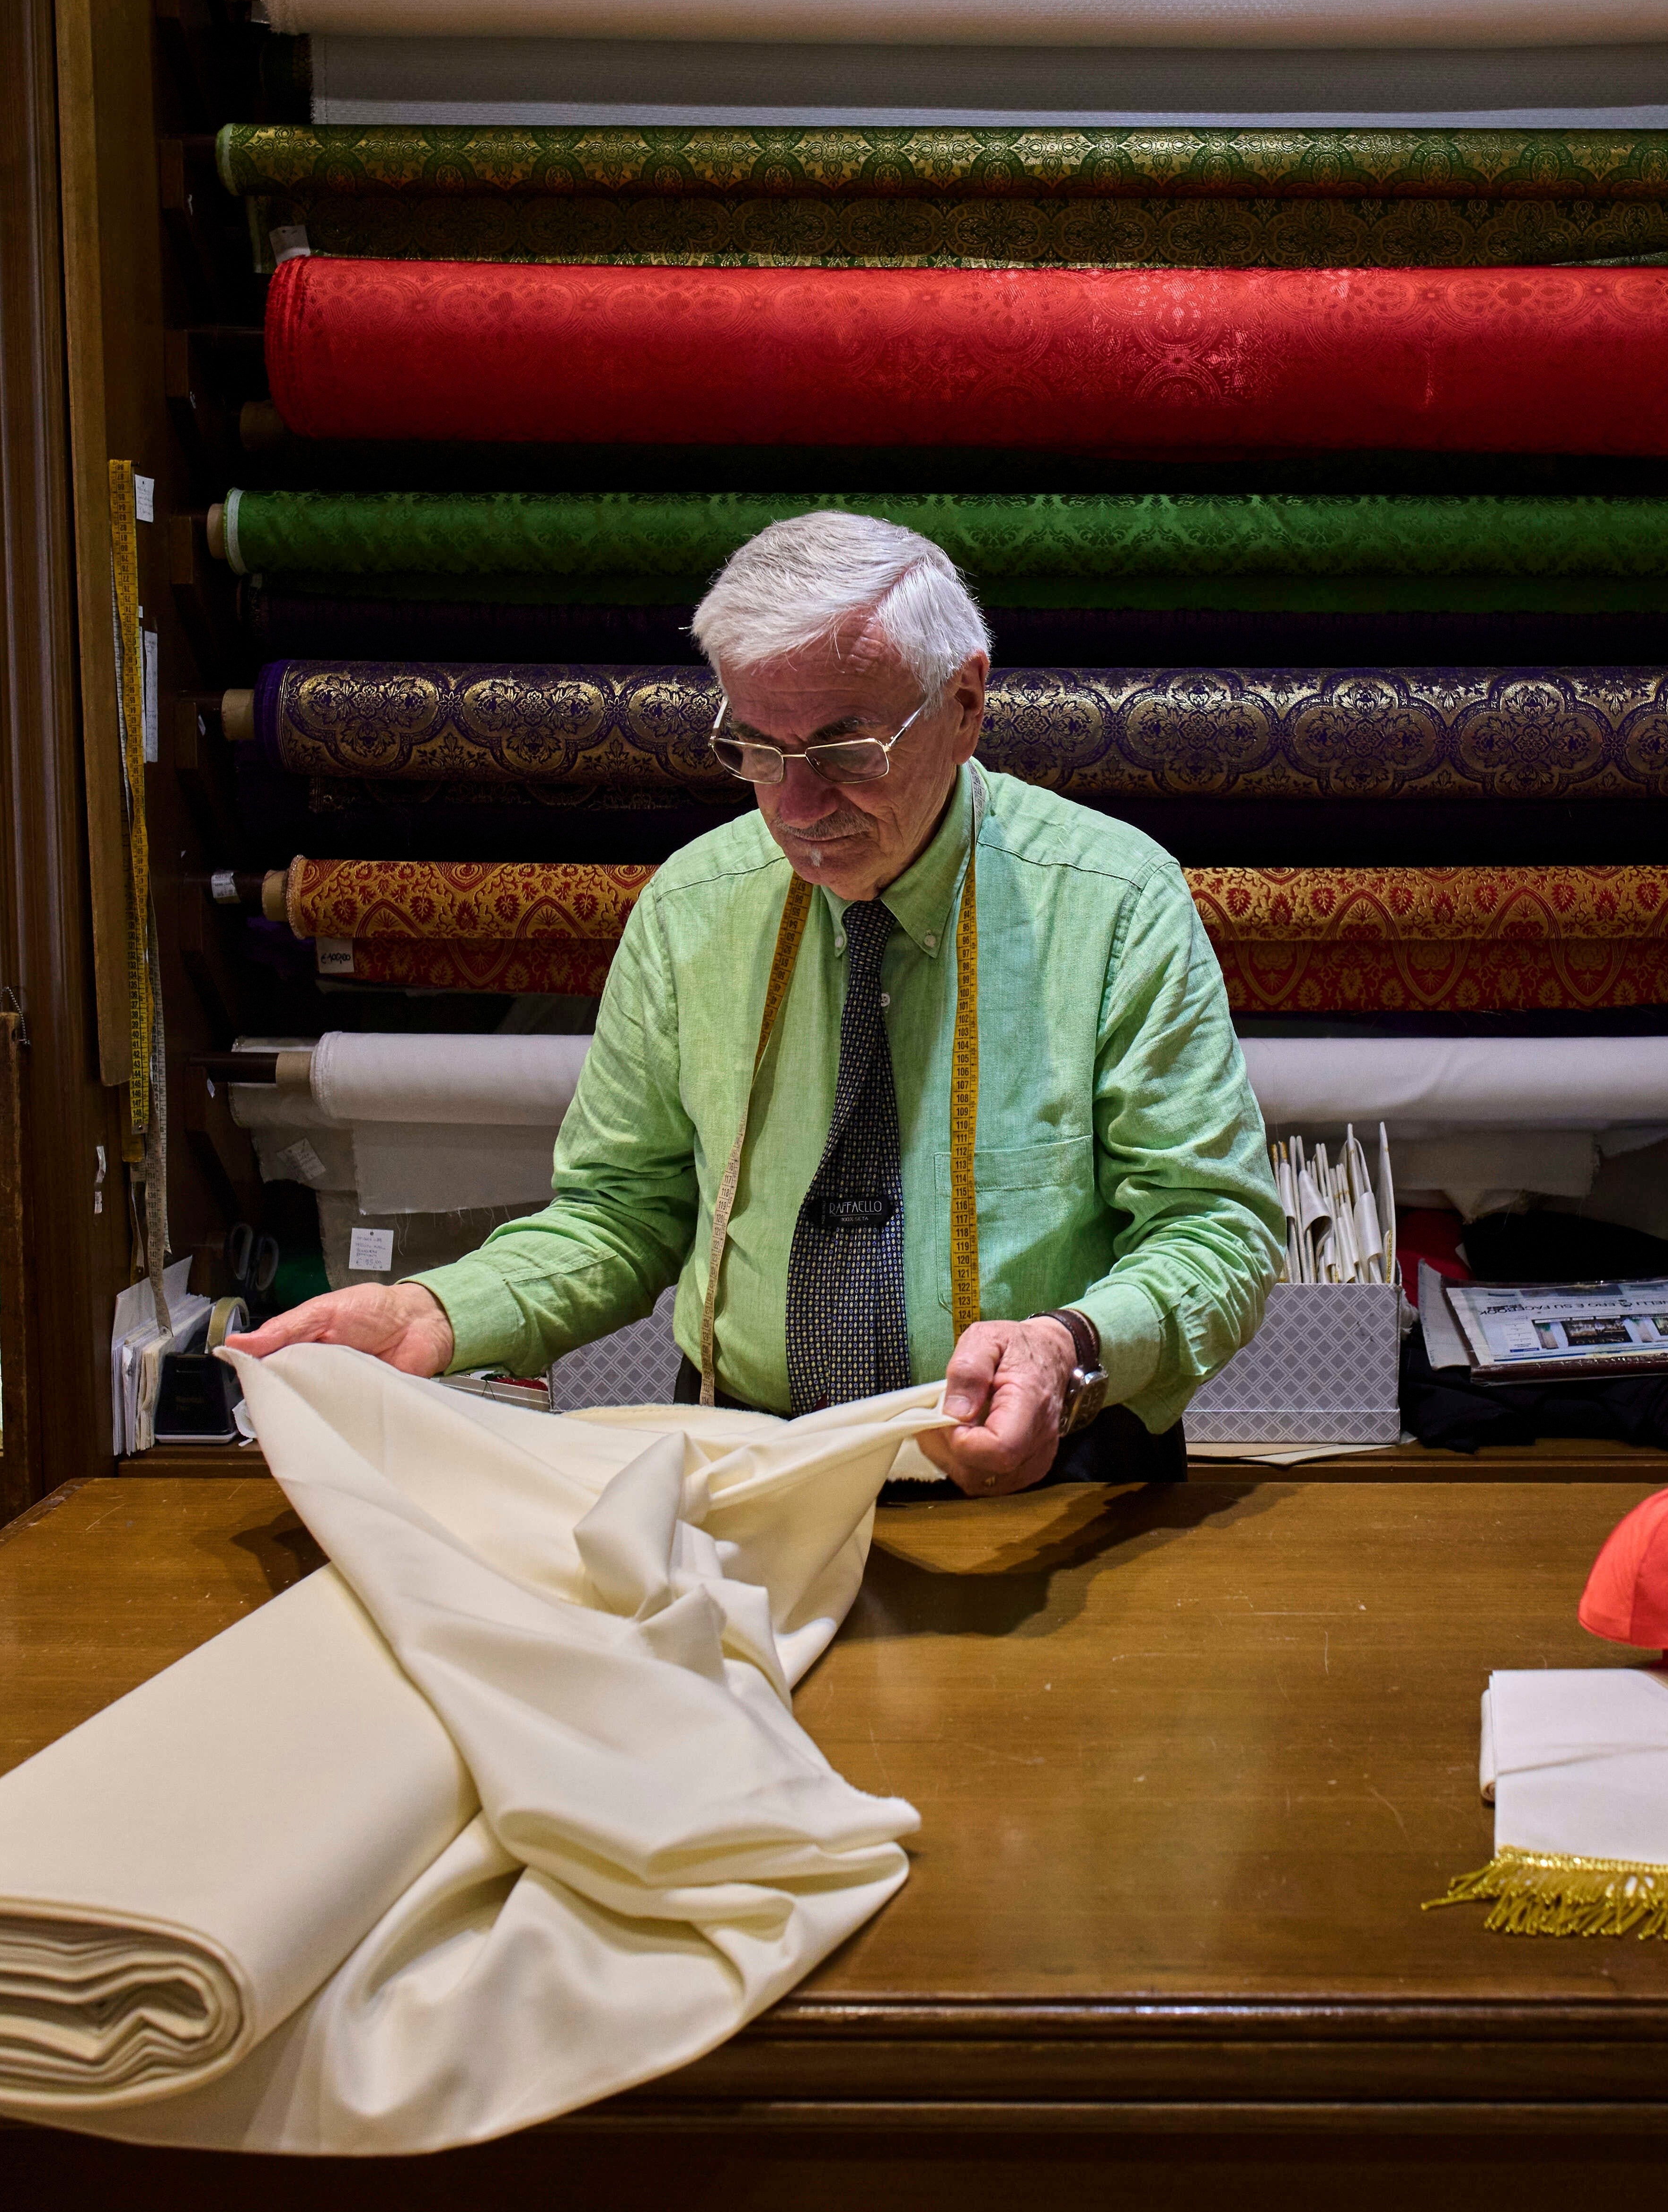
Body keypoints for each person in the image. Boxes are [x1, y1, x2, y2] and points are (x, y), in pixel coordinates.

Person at [231, 510, 1285, 1494]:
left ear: (965, 705)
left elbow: (1215, 1228)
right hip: (756, 1469)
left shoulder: (1110, 900)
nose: (795, 805)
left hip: (1055, 1469)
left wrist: (1068, 1345)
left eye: (840, 750)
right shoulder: (695, 906)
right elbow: (622, 1212)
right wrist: (435, 1309)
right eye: (757, 749)